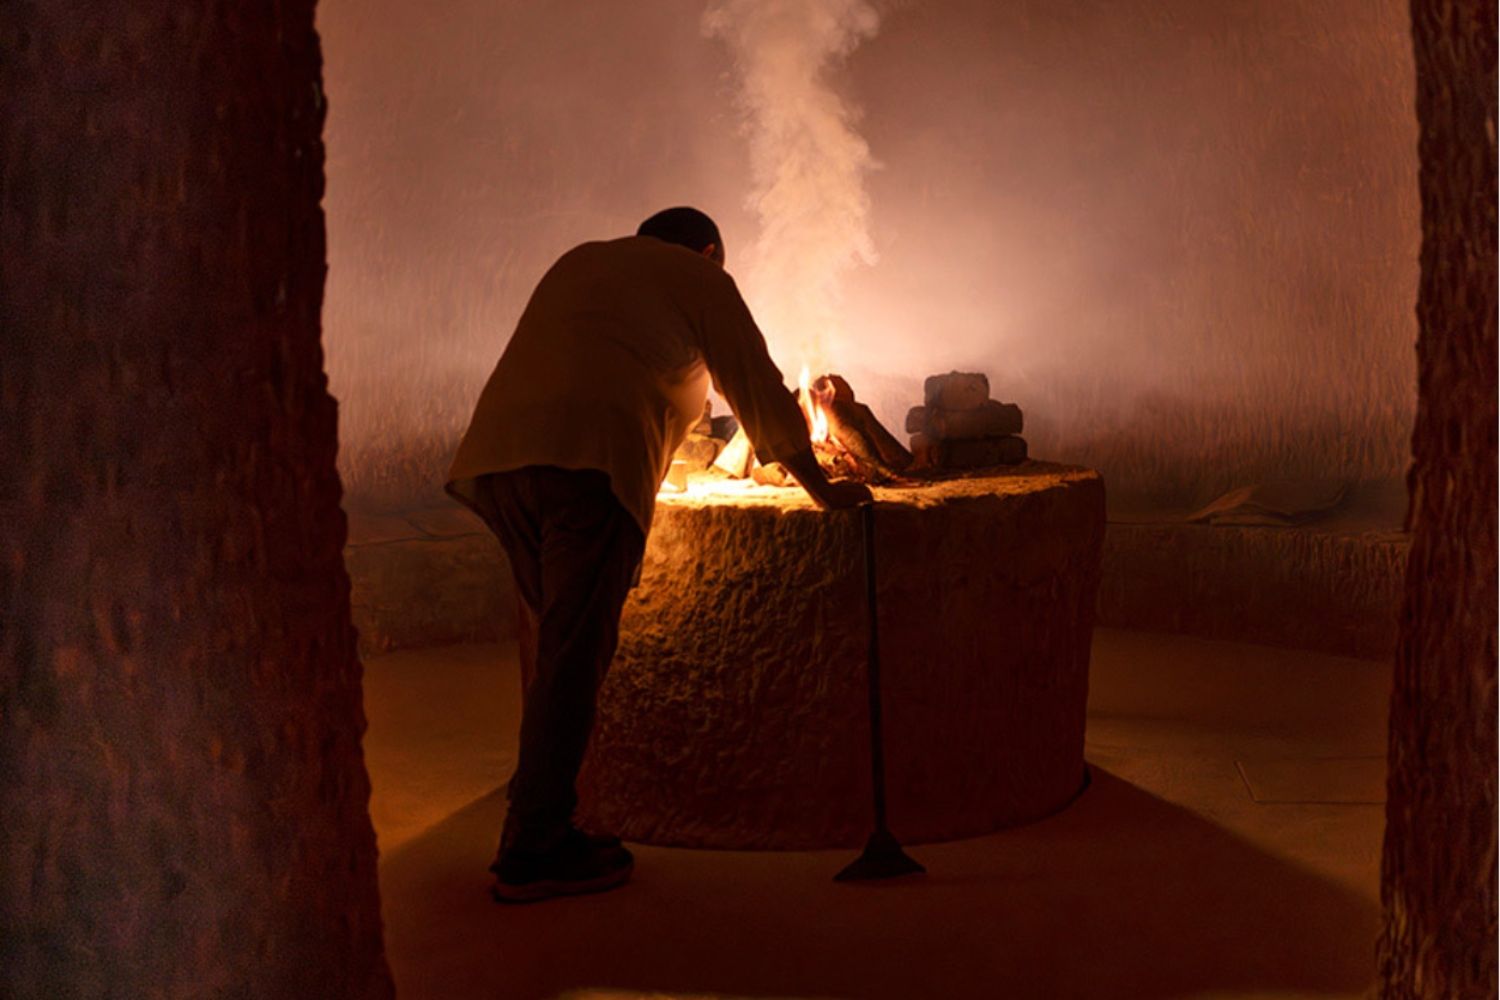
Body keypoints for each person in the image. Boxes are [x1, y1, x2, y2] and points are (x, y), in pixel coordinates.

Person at [446, 206, 871, 903]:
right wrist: (822, 488)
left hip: (501, 464)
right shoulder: (698, 277)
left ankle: (539, 813)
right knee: (573, 659)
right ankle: (535, 846)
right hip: (587, 466)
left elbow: (606, 364)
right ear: (708, 253)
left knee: (559, 652)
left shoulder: (584, 259)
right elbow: (755, 383)